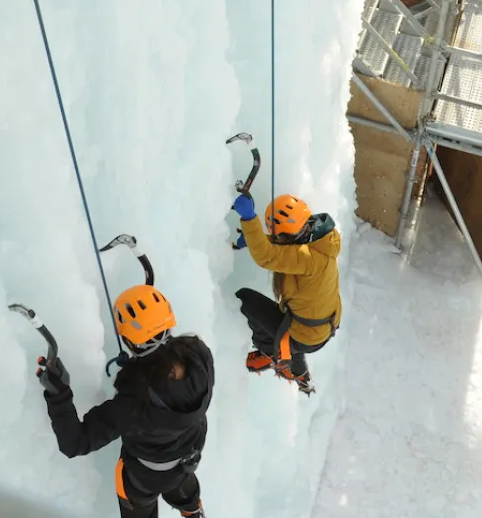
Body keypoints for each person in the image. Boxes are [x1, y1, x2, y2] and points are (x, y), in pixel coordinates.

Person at [37, 283, 213, 518]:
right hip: (187, 458)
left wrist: (58, 394)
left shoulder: (132, 404)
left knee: (140, 492)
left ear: (131, 343)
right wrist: (141, 366)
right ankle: (192, 511)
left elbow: (74, 443)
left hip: (145, 477)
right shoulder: (201, 357)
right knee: (180, 483)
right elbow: (166, 370)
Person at [230, 192, 342, 394]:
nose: (276, 239)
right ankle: (296, 369)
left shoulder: (309, 258)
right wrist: (255, 239)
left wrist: (249, 219)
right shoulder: (320, 242)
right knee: (276, 320)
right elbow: (286, 250)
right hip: (320, 328)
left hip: (306, 336)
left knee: (245, 299)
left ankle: (272, 355)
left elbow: (269, 256)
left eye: (278, 236)